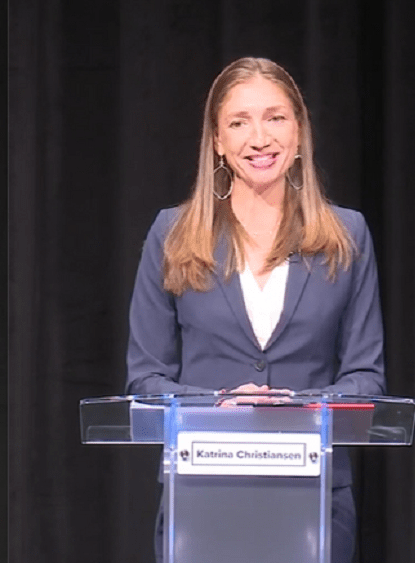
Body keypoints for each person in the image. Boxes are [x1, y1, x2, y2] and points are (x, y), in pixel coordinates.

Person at [126, 57, 385, 563]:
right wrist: (220, 404)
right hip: (203, 494)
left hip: (316, 497)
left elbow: (365, 379)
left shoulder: (346, 236)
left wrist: (292, 406)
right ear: (218, 142)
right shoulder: (173, 235)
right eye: (239, 122)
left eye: (275, 117)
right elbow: (146, 381)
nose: (259, 138)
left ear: (298, 130)